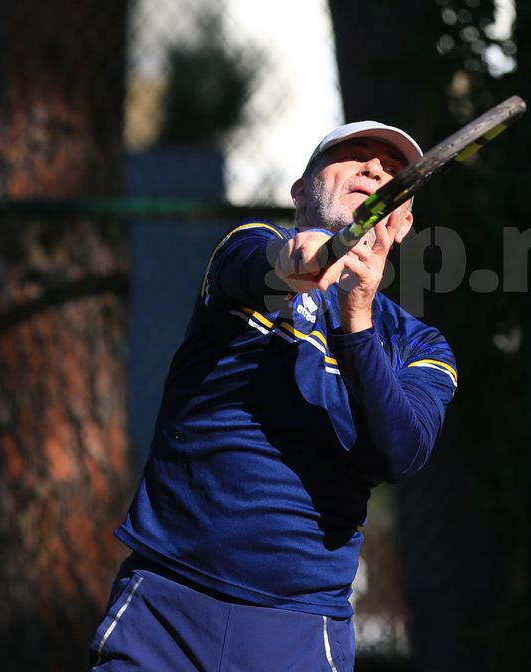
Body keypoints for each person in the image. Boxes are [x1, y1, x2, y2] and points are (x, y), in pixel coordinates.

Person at [89, 120, 458, 671]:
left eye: (393, 172)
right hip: (166, 608)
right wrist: (294, 261)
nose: (375, 169)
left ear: (402, 224)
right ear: (301, 193)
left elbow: (399, 451)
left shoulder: (420, 345)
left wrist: (356, 319)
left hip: (300, 631)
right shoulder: (246, 248)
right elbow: (254, 266)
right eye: (354, 154)